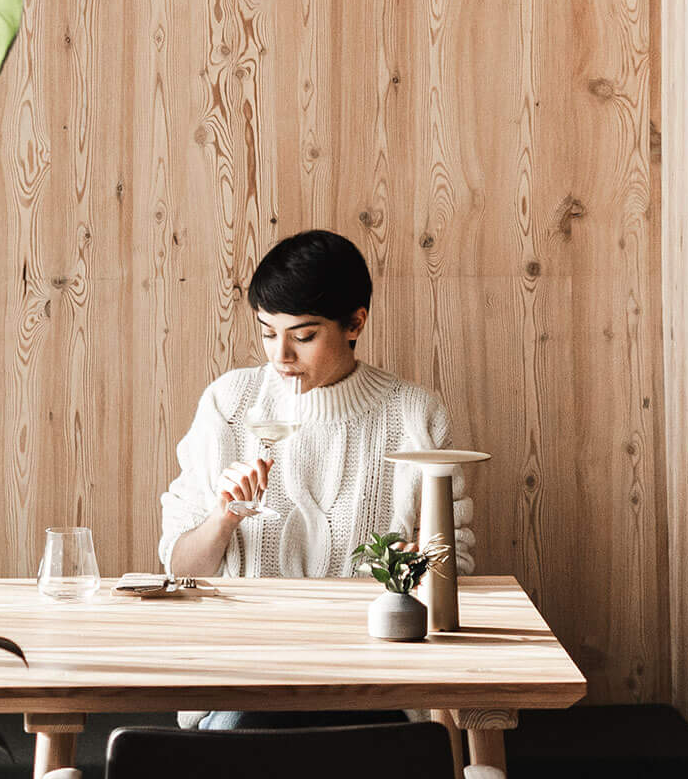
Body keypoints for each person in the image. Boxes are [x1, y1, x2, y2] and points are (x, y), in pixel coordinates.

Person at [159, 229, 475, 583]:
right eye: (268, 332)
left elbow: (452, 564)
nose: (281, 355)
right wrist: (224, 518)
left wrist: (417, 568)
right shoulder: (229, 402)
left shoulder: (418, 416)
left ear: (355, 324)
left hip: (368, 634)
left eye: (302, 336)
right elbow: (180, 569)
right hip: (244, 633)